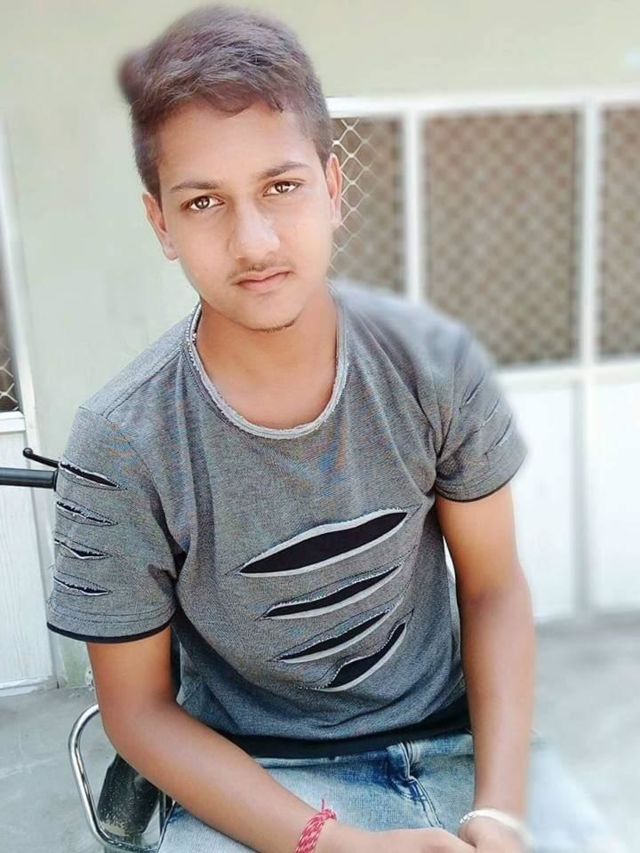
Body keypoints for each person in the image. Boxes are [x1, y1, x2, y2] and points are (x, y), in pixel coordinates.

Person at [45, 4, 625, 852]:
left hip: (459, 743)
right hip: (256, 776)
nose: (253, 241)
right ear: (161, 223)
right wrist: (343, 843)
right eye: (204, 201)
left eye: (281, 187)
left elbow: (493, 586)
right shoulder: (123, 444)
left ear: (333, 188)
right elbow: (136, 711)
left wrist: (499, 808)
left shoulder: (432, 365)